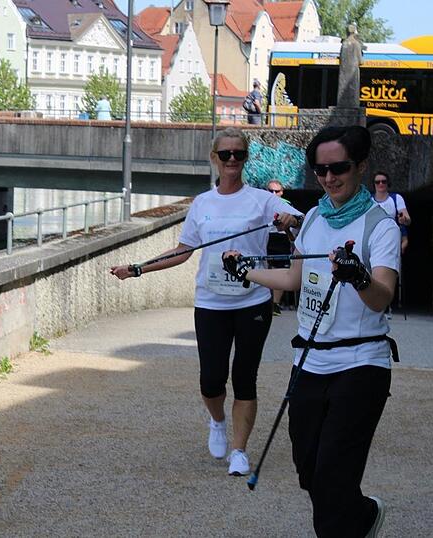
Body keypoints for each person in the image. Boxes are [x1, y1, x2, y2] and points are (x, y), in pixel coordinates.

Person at [222, 125, 399, 537]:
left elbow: (382, 296)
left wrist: (358, 277)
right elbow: (296, 278)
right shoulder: (316, 218)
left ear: (361, 167)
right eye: (320, 170)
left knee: (333, 477)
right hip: (310, 363)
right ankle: (364, 515)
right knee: (309, 471)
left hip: (361, 365)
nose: (329, 177)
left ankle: (346, 522)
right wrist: (248, 271)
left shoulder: (380, 227)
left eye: (339, 167)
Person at [109, 127, 301, 477]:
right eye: (225, 154)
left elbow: (298, 219)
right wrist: (139, 269)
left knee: (245, 378)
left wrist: (289, 220)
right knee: (211, 380)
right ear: (214, 158)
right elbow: (184, 251)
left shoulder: (262, 199)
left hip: (252, 301)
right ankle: (217, 421)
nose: (231, 160)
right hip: (212, 303)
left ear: (245, 158)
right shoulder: (202, 203)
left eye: (238, 154)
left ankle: (239, 451)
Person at [265, 180, 295, 315]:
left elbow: (295, 227)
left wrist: (289, 233)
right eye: (270, 191)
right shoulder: (260, 204)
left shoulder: (287, 205)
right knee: (263, 269)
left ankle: (275, 304)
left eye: (276, 191)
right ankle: (264, 301)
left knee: (282, 269)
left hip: (281, 238)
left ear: (281, 192)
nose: (273, 194)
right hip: (264, 237)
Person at [372, 171, 410, 255]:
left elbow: (407, 220)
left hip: (392, 240)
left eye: (384, 181)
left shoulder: (396, 198)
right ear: (374, 184)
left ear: (388, 183)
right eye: (377, 182)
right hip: (373, 240)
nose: (380, 184)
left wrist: (403, 219)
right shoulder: (368, 201)